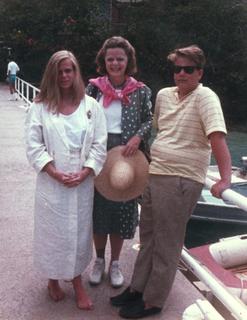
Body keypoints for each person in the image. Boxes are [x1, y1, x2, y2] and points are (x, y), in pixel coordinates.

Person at [111, 44, 232, 319]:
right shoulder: (165, 95)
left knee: (167, 243)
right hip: (155, 173)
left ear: (199, 72)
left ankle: (153, 301)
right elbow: (158, 130)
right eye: (177, 68)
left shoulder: (206, 98)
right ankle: (138, 288)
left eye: (188, 69)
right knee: (148, 237)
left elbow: (217, 138)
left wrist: (225, 180)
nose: (181, 74)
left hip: (181, 179)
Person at [25, 50, 107, 310]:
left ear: (76, 72)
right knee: (53, 233)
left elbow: (99, 145)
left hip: (81, 182)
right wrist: (54, 172)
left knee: (78, 234)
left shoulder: (91, 106)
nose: (64, 75)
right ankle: (52, 279)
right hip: (52, 181)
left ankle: (77, 281)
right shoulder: (40, 107)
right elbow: (33, 146)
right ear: (52, 73)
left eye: (69, 70)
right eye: (59, 71)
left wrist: (85, 172)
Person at [86, 36, 152, 288]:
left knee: (122, 211)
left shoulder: (141, 90)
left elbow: (149, 120)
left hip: (127, 158)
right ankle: (99, 261)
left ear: (128, 61)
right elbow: (78, 115)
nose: (115, 63)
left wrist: (138, 136)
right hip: (99, 155)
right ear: (104, 60)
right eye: (110, 58)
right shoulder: (92, 89)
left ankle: (115, 263)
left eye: (120, 59)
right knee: (98, 211)